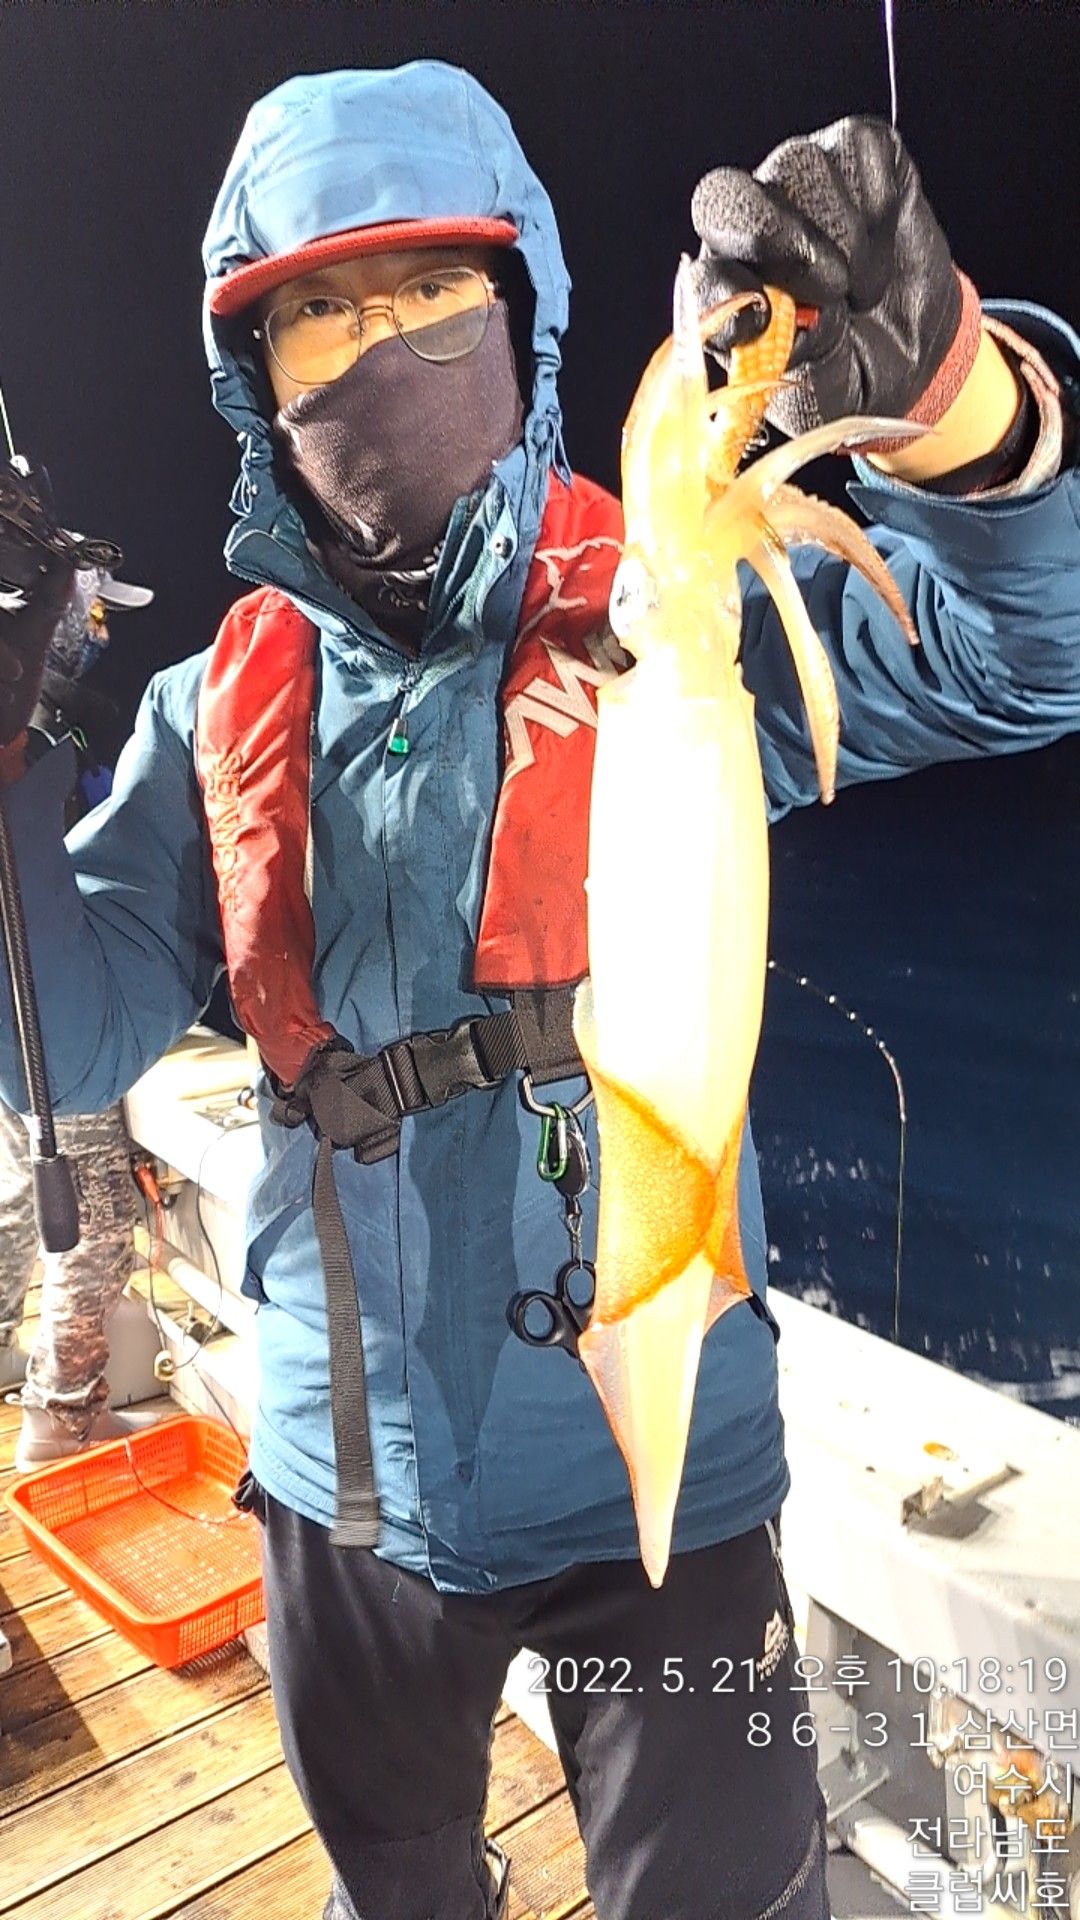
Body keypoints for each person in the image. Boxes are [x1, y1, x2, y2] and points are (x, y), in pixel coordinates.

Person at [0, 62, 1077, 1920]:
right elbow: (65, 1038)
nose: (379, 343)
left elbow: (1015, 660)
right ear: (252, 375)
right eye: (317, 312)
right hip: (344, 1488)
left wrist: (956, 408)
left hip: (672, 1483)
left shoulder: (673, 618)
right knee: (400, 1884)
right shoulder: (211, 710)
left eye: (431, 289)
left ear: (522, 312)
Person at [0, 563, 158, 1469]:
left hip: (17, 1003)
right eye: (83, 607)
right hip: (44, 1002)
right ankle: (59, 1422)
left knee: (15, 1186)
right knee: (92, 1213)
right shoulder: (48, 720)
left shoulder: (60, 716)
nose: (94, 627)